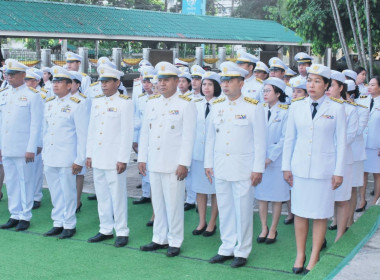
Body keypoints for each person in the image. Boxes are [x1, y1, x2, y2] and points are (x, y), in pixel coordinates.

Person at [282, 64, 346, 274]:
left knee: (320, 214)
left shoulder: (336, 108)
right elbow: (289, 139)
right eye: (309, 80)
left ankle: (315, 254)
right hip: (300, 169)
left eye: (317, 81)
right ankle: (300, 254)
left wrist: (338, 171)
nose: (311, 85)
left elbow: (341, 143)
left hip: (323, 171)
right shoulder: (296, 106)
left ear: (327, 85)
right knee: (299, 213)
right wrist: (286, 167)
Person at [205, 61, 266, 268]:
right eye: (223, 81)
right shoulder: (217, 106)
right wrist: (208, 163)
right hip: (221, 166)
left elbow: (260, 141)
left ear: (241, 83)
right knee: (225, 207)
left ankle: (242, 250)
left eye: (230, 81)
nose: (225, 84)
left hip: (244, 168)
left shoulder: (253, 107)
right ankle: (226, 247)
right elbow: (210, 138)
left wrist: (258, 168)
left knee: (243, 210)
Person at [138, 62, 197, 257]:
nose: (161, 84)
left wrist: (184, 163)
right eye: (159, 80)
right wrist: (142, 158)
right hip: (154, 161)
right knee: (158, 203)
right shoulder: (152, 103)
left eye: (166, 80)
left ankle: (175, 240)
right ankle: (159, 238)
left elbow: (189, 137)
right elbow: (145, 134)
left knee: (173, 204)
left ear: (176, 81)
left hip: (174, 164)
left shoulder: (186, 104)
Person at [86, 65, 134, 248]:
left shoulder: (125, 103)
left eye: (107, 82)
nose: (103, 85)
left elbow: (126, 133)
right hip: (98, 157)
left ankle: (122, 231)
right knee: (102, 194)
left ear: (117, 83)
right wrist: (89, 153)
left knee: (118, 195)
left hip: (114, 159)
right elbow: (92, 130)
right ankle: (105, 228)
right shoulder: (97, 102)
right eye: (102, 82)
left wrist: (123, 158)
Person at [42, 66, 88, 239]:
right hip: (51, 155)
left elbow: (82, 135)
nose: (55, 85)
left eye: (60, 82)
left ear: (70, 86)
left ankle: (69, 224)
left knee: (68, 192)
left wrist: (79, 159)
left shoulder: (77, 105)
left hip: (67, 157)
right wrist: (45, 154)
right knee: (55, 191)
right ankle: (57, 222)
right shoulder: (49, 104)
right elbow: (45, 131)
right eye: (54, 81)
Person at [0, 59, 43, 231]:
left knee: (26, 182)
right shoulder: (4, 93)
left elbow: (36, 124)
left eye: (12, 74)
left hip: (24, 148)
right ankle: (14, 214)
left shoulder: (33, 96)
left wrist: (31, 148)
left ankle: (25, 216)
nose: (9, 77)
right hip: (8, 147)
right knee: (11, 182)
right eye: (7, 74)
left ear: (23, 75)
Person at [255, 77, 289, 245]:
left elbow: (285, 139)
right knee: (261, 196)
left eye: (268, 91)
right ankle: (263, 227)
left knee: (276, 197)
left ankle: (273, 229)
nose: (265, 94)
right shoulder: (259, 109)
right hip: (259, 159)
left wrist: (270, 158)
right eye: (264, 91)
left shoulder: (285, 112)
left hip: (276, 162)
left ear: (278, 93)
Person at [325, 71, 358, 242]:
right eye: (327, 85)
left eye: (331, 85)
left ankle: (340, 236)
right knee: (324, 199)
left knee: (342, 199)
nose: (328, 89)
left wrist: (329, 147)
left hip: (343, 160)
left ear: (341, 88)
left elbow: (350, 136)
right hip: (323, 159)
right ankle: (321, 236)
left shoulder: (350, 110)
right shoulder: (322, 106)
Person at [191, 71, 221, 237]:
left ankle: (212, 222)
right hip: (197, 153)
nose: (206, 87)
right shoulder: (195, 103)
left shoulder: (222, 104)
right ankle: (202, 220)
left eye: (210, 84)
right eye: (204, 84)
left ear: (216, 87)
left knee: (215, 190)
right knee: (199, 190)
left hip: (215, 155)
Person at [344, 80, 369, 226]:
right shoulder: (336, 107)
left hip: (355, 154)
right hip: (340, 154)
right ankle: (337, 219)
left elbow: (358, 131)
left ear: (352, 94)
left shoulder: (361, 109)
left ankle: (349, 219)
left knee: (352, 187)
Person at [132, 67, 157, 207]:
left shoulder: (159, 98)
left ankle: (154, 194)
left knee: (153, 166)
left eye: (149, 81)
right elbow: (136, 119)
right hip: (143, 136)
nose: (146, 84)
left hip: (156, 138)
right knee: (143, 164)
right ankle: (145, 194)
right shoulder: (141, 98)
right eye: (144, 81)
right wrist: (135, 139)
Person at [183, 64, 206, 212]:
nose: (195, 81)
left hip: (202, 142)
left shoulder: (210, 100)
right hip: (189, 141)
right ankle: (191, 199)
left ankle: (201, 201)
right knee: (189, 172)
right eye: (193, 78)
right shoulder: (185, 98)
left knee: (203, 174)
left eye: (198, 79)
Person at [24, 69, 47, 210]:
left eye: (29, 80)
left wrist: (39, 142)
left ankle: (36, 196)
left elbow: (42, 121)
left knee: (36, 169)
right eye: (25, 80)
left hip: (36, 137)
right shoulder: (24, 94)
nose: (26, 82)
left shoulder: (42, 95)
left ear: (37, 81)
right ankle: (26, 195)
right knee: (25, 169)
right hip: (24, 137)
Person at [69, 71, 91, 212]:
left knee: (78, 173)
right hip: (65, 145)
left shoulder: (83, 100)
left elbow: (86, 124)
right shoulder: (59, 100)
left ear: (77, 85)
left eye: (71, 82)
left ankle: (77, 201)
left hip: (78, 143)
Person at [356, 76, 380, 207]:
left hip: (376, 144)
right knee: (363, 173)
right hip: (363, 142)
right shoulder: (363, 99)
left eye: (373, 85)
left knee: (377, 174)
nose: (369, 87)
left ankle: (376, 200)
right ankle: (362, 200)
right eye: (369, 85)